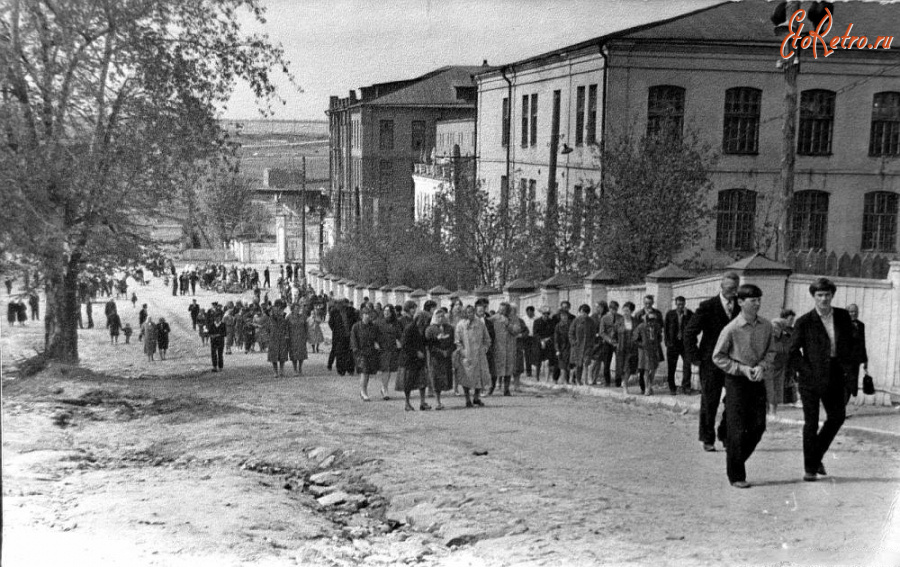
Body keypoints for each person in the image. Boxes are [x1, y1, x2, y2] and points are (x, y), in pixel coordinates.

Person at [789, 278, 855, 482]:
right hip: (810, 378)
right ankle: (810, 469)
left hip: (835, 375)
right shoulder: (804, 321)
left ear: (832, 295)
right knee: (811, 422)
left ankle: (815, 456)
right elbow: (793, 352)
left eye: (827, 295)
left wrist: (848, 372)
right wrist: (806, 372)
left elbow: (851, 345)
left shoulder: (843, 316)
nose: (824, 299)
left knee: (837, 417)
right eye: (820, 295)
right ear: (814, 297)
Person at [712, 283, 774, 489]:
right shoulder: (731, 329)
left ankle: (733, 453)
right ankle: (736, 474)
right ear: (740, 302)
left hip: (757, 380)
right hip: (736, 381)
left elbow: (771, 352)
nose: (757, 304)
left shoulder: (766, 326)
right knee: (737, 428)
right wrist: (741, 369)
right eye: (752, 300)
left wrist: (762, 366)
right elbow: (718, 357)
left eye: (759, 300)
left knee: (758, 426)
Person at [684, 271, 740, 452]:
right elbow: (689, 332)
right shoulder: (708, 306)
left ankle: (725, 434)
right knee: (710, 401)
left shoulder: (741, 307)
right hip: (710, 362)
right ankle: (707, 438)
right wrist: (695, 357)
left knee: (734, 400)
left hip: (734, 362)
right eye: (729, 288)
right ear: (721, 287)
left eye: (735, 288)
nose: (732, 291)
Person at [455, 305, 491, 408]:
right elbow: (457, 340)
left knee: (480, 376)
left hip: (479, 354)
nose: (469, 314)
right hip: (467, 354)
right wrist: (462, 351)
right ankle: (467, 399)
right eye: (467, 312)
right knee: (466, 376)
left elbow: (487, 338)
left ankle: (476, 397)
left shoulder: (480, 323)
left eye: (471, 312)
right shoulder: (460, 325)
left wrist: (485, 347)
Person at [400, 301, 430, 411]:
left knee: (423, 382)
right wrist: (416, 352)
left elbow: (425, 342)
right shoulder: (409, 328)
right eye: (423, 320)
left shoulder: (424, 329)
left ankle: (422, 402)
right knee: (409, 382)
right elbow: (405, 344)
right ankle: (407, 403)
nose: (425, 322)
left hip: (421, 360)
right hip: (410, 360)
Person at [767, 309, 795, 415]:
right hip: (770, 366)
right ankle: (768, 412)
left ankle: (773, 412)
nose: (775, 329)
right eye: (790, 319)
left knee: (777, 390)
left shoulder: (787, 335)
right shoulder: (769, 335)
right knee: (769, 389)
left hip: (781, 365)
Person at [426, 309, 455, 409]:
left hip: (446, 357)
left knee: (445, 378)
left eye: (442, 316)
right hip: (435, 358)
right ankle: (437, 401)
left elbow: (454, 342)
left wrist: (448, 351)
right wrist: (440, 352)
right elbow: (429, 344)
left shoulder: (449, 328)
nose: (441, 318)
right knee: (435, 378)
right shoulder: (430, 329)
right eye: (438, 317)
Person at [664, 296, 693, 395]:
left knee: (687, 365)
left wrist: (685, 316)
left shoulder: (689, 314)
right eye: (679, 304)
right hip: (673, 344)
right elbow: (666, 329)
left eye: (682, 304)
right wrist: (667, 342)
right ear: (676, 304)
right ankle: (672, 387)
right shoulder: (670, 314)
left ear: (685, 304)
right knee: (671, 367)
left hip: (685, 344)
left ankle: (686, 386)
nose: (680, 306)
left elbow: (691, 327)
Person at [351, 307, 381, 401]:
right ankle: (363, 392)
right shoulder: (356, 326)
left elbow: (377, 337)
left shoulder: (374, 327)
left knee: (367, 373)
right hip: (360, 352)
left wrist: (377, 343)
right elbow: (353, 339)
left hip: (371, 352)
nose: (367, 316)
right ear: (361, 315)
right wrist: (355, 350)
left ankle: (363, 391)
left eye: (369, 314)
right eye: (365, 314)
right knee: (364, 372)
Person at [491, 303, 518, 396]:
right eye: (500, 309)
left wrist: (507, 324)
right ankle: (491, 388)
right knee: (495, 369)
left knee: (508, 369)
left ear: (508, 311)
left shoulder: (513, 319)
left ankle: (506, 390)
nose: (501, 312)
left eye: (504, 310)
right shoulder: (494, 318)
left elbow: (516, 331)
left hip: (509, 348)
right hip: (497, 347)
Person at [634, 310, 664, 395]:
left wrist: (656, 343)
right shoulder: (641, 327)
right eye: (650, 320)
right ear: (646, 320)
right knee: (646, 369)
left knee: (654, 368)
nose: (651, 322)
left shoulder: (657, 326)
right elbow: (635, 339)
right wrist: (642, 344)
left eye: (653, 320)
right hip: (644, 351)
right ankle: (647, 388)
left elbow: (659, 337)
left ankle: (650, 385)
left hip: (654, 350)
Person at [376, 305, 402, 399]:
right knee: (385, 369)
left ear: (392, 313)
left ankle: (384, 387)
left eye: (388, 311)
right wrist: (375, 343)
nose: (386, 313)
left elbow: (399, 334)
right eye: (385, 311)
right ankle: (385, 389)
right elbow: (374, 334)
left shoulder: (396, 323)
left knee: (389, 369)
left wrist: (399, 342)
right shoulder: (378, 322)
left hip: (392, 348)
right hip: (382, 348)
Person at [569, 304, 598, 386]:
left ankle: (585, 380)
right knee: (578, 364)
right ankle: (578, 380)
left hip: (587, 346)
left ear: (588, 313)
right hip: (577, 347)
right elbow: (571, 333)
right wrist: (573, 342)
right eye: (581, 312)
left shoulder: (591, 321)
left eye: (585, 313)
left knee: (586, 363)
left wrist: (591, 344)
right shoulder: (576, 321)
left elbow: (593, 334)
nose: (583, 314)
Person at [846, 304, 868, 405]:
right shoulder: (842, 324)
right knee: (844, 383)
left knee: (852, 383)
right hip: (844, 360)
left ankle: (843, 405)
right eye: (851, 311)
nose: (853, 313)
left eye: (855, 311)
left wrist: (865, 360)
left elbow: (862, 343)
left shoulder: (861, 325)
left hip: (855, 360)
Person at [616, 302, 638, 392]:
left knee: (628, 367)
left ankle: (625, 383)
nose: (625, 313)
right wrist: (615, 344)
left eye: (627, 311)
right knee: (621, 367)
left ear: (631, 311)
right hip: (621, 348)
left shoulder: (636, 322)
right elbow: (613, 334)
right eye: (624, 310)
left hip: (632, 348)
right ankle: (624, 383)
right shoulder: (619, 322)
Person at [599, 301, 622, 386]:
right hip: (607, 342)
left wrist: (619, 341)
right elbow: (601, 332)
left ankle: (618, 381)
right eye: (612, 309)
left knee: (619, 362)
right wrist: (609, 340)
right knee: (606, 362)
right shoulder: (604, 318)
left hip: (618, 342)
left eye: (616, 309)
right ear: (609, 308)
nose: (614, 311)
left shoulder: (620, 317)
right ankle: (607, 381)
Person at [533, 306, 556, 382]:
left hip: (549, 343)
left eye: (547, 314)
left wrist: (548, 339)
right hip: (539, 343)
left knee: (548, 361)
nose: (546, 315)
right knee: (538, 361)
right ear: (542, 314)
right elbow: (535, 333)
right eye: (544, 314)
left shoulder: (551, 322)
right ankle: (537, 377)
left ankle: (547, 378)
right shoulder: (537, 321)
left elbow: (554, 333)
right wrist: (541, 340)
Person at [267, 301, 290, 377]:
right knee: (274, 356)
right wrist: (269, 336)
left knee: (282, 355)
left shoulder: (284, 318)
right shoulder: (270, 318)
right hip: (273, 338)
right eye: (278, 308)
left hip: (282, 338)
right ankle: (275, 372)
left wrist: (286, 335)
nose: (279, 310)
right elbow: (267, 329)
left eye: (281, 309)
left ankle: (281, 371)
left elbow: (286, 328)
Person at [588, 300, 609, 385]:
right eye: (596, 307)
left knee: (599, 361)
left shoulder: (607, 316)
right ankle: (589, 377)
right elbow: (590, 328)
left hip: (604, 341)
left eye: (599, 307)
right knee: (594, 360)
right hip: (595, 341)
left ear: (603, 307)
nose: (597, 308)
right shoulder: (593, 316)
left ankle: (595, 379)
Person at [287, 303, 309, 376]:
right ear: (292, 309)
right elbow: (286, 327)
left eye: (298, 308)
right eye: (296, 308)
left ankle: (300, 369)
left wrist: (306, 335)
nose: (297, 309)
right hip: (292, 337)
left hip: (301, 337)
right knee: (293, 354)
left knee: (301, 353)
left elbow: (306, 326)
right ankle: (295, 370)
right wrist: (287, 336)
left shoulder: (302, 317)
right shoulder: (289, 317)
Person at [554, 310, 572, 384]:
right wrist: (557, 349)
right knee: (562, 365)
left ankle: (567, 381)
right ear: (560, 317)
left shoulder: (571, 324)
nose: (564, 317)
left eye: (565, 315)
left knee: (569, 365)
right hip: (562, 347)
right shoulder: (558, 326)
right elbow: (556, 339)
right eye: (562, 316)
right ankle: (563, 381)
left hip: (570, 346)